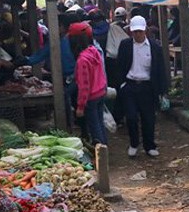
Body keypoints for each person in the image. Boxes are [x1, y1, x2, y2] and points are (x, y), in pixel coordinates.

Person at [116, 15, 167, 157]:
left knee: (148, 118)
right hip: (130, 86)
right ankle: (133, 143)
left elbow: (160, 69)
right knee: (131, 117)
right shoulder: (125, 45)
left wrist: (162, 90)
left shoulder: (154, 47)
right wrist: (122, 84)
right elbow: (119, 66)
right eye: (135, 32)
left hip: (147, 87)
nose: (137, 34)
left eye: (140, 31)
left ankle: (149, 145)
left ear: (145, 30)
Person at [20, 14, 77, 128]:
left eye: (56, 25)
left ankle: (72, 126)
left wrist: (27, 60)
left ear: (62, 26)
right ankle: (70, 126)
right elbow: (42, 54)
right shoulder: (56, 40)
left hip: (73, 77)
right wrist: (26, 60)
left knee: (71, 102)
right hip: (65, 78)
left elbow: (41, 54)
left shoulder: (72, 40)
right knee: (68, 102)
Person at [70, 22, 108, 145]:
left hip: (91, 97)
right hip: (100, 92)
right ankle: (104, 146)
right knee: (100, 122)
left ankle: (101, 152)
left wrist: (80, 106)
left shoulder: (82, 60)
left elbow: (84, 86)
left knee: (94, 126)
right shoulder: (93, 51)